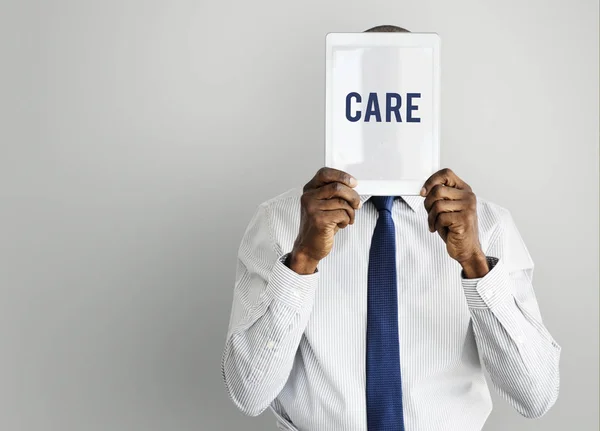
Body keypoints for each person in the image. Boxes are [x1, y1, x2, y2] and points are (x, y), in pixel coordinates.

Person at [221, 25, 561, 431]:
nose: (386, 110)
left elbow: (535, 396)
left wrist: (474, 261)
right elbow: (249, 393)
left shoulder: (487, 226)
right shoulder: (280, 222)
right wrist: (302, 260)